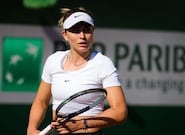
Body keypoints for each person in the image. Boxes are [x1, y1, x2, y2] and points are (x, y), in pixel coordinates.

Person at [27, 7, 127, 135]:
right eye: (75, 31)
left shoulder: (103, 64)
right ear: (65, 35)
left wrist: (82, 124)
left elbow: (120, 111)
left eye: (87, 30)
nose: (82, 36)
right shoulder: (53, 60)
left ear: (93, 33)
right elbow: (41, 101)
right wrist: (31, 128)